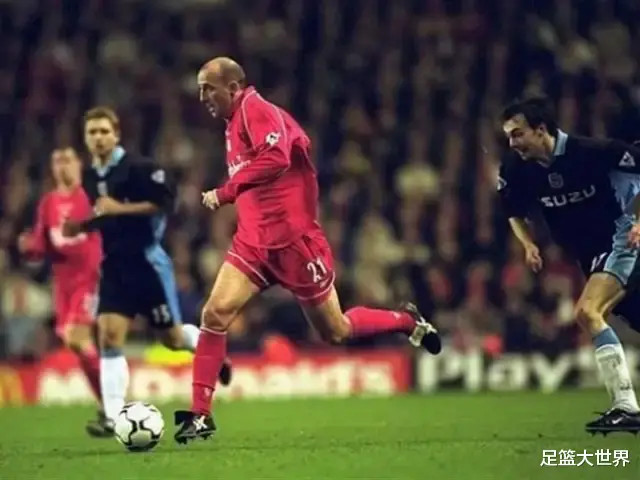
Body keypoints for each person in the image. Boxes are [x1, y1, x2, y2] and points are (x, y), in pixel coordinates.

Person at [173, 57, 441, 443]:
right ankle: (201, 415)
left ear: (232, 88)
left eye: (207, 89)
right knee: (214, 314)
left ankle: (405, 322)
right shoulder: (232, 123)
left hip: (296, 244)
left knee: (335, 330)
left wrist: (226, 191)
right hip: (254, 242)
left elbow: (277, 157)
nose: (202, 97)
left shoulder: (255, 109)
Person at [63, 107, 232, 437]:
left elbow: (165, 204)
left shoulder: (140, 168)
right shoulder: (90, 176)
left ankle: (211, 350)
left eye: (104, 131)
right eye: (92, 132)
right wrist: (82, 226)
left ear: (116, 134)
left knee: (172, 339)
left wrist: (119, 207)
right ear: (85, 138)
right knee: (109, 336)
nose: (98, 138)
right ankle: (113, 416)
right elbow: (107, 217)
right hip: (114, 265)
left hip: (147, 264)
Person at [498, 96, 640, 435]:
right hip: (590, 255)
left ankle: (626, 406)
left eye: (517, 134)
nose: (512, 143)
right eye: (508, 136)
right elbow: (513, 212)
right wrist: (528, 244)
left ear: (541, 130)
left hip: (621, 239)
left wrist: (638, 220)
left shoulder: (591, 151)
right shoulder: (516, 169)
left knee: (588, 312)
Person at [18, 147, 102, 429]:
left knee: (78, 338)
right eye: (57, 161)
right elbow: (42, 245)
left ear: (79, 165)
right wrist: (29, 247)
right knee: (75, 343)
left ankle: (114, 401)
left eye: (68, 160)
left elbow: (103, 230)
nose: (63, 165)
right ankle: (108, 403)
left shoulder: (89, 197)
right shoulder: (48, 203)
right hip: (62, 285)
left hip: (87, 279)